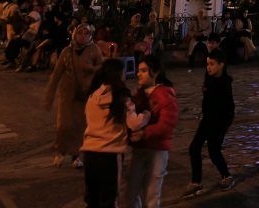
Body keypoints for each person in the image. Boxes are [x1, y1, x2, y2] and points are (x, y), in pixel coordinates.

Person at [80, 58, 149, 208]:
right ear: (118, 74)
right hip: (110, 154)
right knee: (109, 199)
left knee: (92, 198)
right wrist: (146, 115)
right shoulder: (121, 97)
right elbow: (134, 123)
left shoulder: (93, 96)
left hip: (90, 153)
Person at [45, 25, 104, 167]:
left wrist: (91, 69)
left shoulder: (94, 50)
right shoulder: (67, 51)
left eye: (86, 33)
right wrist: (50, 94)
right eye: (80, 33)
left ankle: (77, 155)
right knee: (64, 125)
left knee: (80, 126)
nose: (83, 36)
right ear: (74, 34)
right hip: (67, 94)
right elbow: (56, 74)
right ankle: (60, 151)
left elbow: (102, 69)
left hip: (85, 94)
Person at [126, 55, 179, 208]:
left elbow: (167, 124)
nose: (138, 74)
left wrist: (144, 133)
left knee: (151, 194)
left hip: (157, 150)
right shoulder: (139, 93)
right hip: (140, 149)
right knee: (132, 191)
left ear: (154, 73)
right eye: (138, 71)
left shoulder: (164, 94)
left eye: (143, 70)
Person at [182, 49, 235, 197]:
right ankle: (196, 181)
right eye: (207, 64)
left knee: (213, 150)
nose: (208, 67)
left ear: (221, 65)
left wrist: (223, 124)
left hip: (220, 121)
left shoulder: (225, 84)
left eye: (212, 64)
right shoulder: (209, 78)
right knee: (194, 148)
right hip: (207, 119)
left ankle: (226, 175)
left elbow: (229, 108)